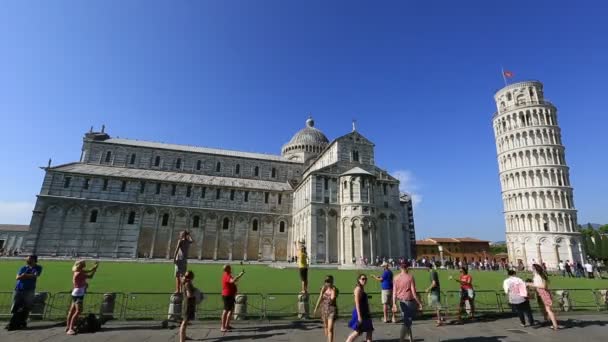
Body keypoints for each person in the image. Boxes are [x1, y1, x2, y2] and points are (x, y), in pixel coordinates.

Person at [6, 255, 42, 331]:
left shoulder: (38, 267)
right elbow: (17, 277)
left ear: (34, 260)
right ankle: (13, 322)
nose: (27, 260)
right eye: (27, 259)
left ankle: (22, 322)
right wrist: (26, 276)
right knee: (15, 306)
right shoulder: (23, 267)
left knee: (26, 307)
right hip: (18, 289)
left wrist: (24, 275)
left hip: (29, 291)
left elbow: (35, 276)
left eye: (29, 259)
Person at [66, 260, 99, 335]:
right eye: (84, 263)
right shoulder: (80, 273)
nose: (85, 264)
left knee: (72, 311)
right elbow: (90, 276)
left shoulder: (78, 271)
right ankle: (70, 328)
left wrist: (94, 268)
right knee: (78, 311)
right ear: (81, 265)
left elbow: (89, 270)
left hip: (76, 292)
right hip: (79, 293)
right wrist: (95, 270)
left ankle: (68, 327)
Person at [393, 262, 423, 342]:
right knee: (407, 322)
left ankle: (410, 339)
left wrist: (394, 303)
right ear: (407, 268)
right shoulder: (410, 277)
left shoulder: (396, 277)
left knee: (407, 320)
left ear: (400, 268)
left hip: (400, 302)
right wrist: (419, 303)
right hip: (409, 301)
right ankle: (401, 339)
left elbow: (394, 292)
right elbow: (413, 292)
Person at [528, 264, 559, 330]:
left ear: (536, 269)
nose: (532, 270)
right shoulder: (537, 276)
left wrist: (533, 285)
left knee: (549, 310)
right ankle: (549, 321)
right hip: (540, 293)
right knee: (546, 309)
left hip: (544, 293)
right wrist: (528, 284)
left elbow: (543, 286)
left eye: (533, 269)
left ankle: (555, 325)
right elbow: (536, 284)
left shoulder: (540, 276)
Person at [346, 274, 373, 342]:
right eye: (363, 279)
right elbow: (357, 303)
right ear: (359, 280)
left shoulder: (361, 288)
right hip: (360, 313)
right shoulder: (358, 289)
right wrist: (359, 316)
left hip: (365, 313)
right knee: (358, 332)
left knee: (369, 330)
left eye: (365, 279)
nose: (364, 280)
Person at [313, 275, 338, 342]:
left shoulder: (335, 289)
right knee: (326, 327)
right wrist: (316, 308)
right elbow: (320, 298)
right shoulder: (324, 288)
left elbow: (332, 299)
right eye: (326, 281)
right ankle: (328, 340)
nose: (328, 283)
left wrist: (333, 292)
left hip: (332, 310)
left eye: (329, 281)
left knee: (330, 328)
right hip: (324, 309)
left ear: (332, 281)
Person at [220, 264, 244, 333]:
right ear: (227, 269)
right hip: (227, 295)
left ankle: (227, 325)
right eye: (230, 268)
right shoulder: (227, 275)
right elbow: (232, 281)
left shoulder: (228, 275)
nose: (231, 268)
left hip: (230, 295)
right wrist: (240, 275)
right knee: (225, 311)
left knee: (230, 310)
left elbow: (233, 281)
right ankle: (222, 327)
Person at [179, 271, 196, 342]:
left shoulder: (184, 281)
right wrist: (196, 294)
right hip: (188, 304)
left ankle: (184, 336)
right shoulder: (188, 283)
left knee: (185, 321)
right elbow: (189, 295)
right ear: (191, 277)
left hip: (186, 303)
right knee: (184, 322)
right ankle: (182, 340)